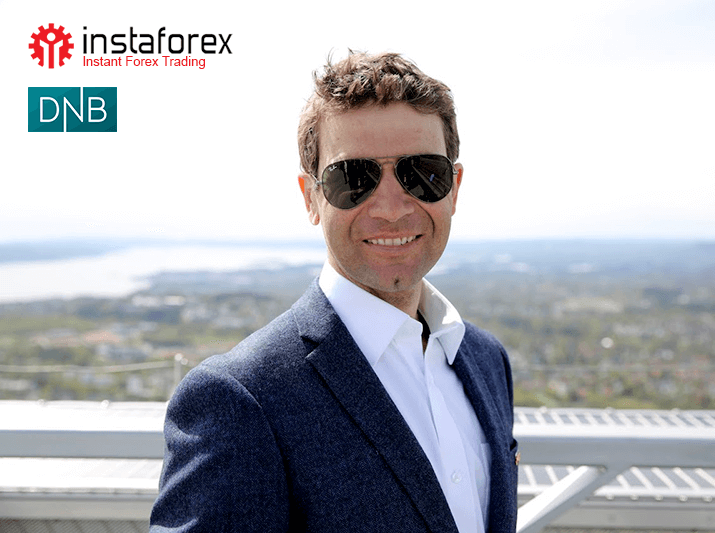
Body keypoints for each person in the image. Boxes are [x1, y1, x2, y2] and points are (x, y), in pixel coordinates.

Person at [150, 51, 518, 533]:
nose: (391, 208)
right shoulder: (239, 399)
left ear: (454, 187)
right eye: (354, 179)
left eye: (422, 172)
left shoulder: (486, 361)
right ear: (311, 197)